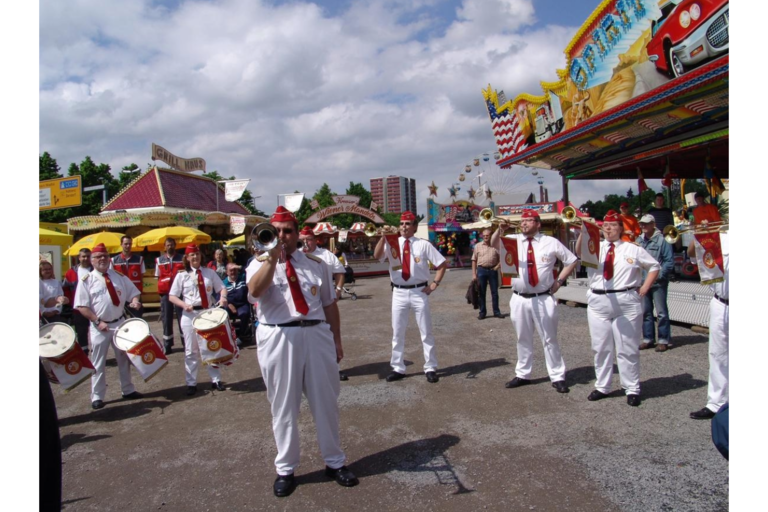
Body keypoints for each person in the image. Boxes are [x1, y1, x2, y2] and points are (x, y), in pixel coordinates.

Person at [246, 206, 358, 497]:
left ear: (297, 234)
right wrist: (272, 258)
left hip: (316, 334)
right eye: (276, 231)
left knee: (326, 401)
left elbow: (329, 304)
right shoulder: (258, 262)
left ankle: (334, 461)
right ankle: (286, 468)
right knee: (284, 406)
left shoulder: (315, 263)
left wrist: (336, 340)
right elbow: (255, 292)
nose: (282, 236)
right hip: (279, 336)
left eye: (287, 231)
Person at [576, 210, 660, 407]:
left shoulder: (632, 248)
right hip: (599, 300)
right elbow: (579, 252)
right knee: (600, 347)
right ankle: (602, 386)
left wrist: (645, 287)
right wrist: (583, 232)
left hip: (626, 300)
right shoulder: (595, 246)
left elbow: (654, 266)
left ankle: (632, 388)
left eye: (613, 225)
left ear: (621, 228)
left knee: (627, 347)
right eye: (605, 225)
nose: (608, 228)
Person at [492, 210, 578, 393]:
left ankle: (557, 376)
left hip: (543, 297)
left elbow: (571, 260)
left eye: (528, 220)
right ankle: (523, 374)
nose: (523, 223)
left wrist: (559, 281)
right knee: (522, 338)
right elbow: (494, 244)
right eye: (522, 221)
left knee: (549, 338)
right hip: (519, 298)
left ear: (538, 224)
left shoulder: (550, 242)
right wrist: (500, 229)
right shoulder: (512, 239)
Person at [373, 211, 447, 383]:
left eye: (407, 224)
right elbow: (377, 256)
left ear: (414, 226)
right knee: (397, 332)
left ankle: (430, 367)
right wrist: (383, 238)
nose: (404, 227)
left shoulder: (423, 244)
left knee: (426, 331)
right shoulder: (392, 242)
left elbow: (442, 264)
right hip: (399, 292)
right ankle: (398, 367)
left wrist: (435, 284)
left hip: (419, 292)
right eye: (401, 224)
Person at [74, 243, 144, 410]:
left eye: (105, 256)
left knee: (124, 358)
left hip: (119, 323)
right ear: (92, 260)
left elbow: (134, 293)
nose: (102, 259)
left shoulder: (118, 276)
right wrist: (97, 321)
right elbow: (81, 306)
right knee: (98, 362)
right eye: (98, 257)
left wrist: (135, 302)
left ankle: (127, 389)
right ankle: (97, 396)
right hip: (99, 326)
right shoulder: (87, 280)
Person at [169, 244, 229, 396]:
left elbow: (222, 287)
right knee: (191, 350)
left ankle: (216, 380)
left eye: (197, 254)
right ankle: (191, 383)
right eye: (192, 255)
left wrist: (223, 297)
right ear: (187, 258)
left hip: (207, 313)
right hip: (189, 315)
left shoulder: (209, 272)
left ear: (201, 256)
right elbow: (172, 296)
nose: (195, 257)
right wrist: (184, 305)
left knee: (211, 346)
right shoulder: (182, 275)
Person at [299, 226, 349, 381]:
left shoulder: (326, 255)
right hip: (304, 303)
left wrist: (338, 290)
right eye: (302, 240)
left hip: (324, 301)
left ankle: (335, 368)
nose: (306, 243)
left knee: (330, 334)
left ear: (315, 240)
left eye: (309, 239)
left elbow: (340, 272)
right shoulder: (296, 255)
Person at [689, 234, 729, 420]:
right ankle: (716, 403)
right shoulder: (719, 235)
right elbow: (692, 254)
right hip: (720, 302)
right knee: (717, 353)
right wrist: (698, 234)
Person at [637, 214, 675, 352]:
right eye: (642, 223)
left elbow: (669, 261)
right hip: (643, 282)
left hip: (658, 282)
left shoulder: (662, 240)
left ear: (653, 224)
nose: (643, 226)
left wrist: (659, 276)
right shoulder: (639, 240)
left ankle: (663, 340)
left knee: (661, 312)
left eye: (646, 223)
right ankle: (648, 339)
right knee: (645, 312)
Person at [155, 238, 185, 354]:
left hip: (179, 293)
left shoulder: (182, 258)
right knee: (166, 319)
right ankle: (167, 345)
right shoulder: (159, 260)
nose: (170, 247)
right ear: (164, 246)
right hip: (165, 293)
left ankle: (185, 343)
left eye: (172, 245)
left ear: (175, 245)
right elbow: (158, 276)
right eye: (168, 245)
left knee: (182, 318)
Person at [62, 248, 93, 354]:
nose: (85, 258)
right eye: (83, 256)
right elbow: (65, 289)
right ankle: (84, 354)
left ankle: (96, 355)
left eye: (88, 256)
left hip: (95, 308)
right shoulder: (71, 272)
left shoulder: (96, 270)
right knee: (81, 333)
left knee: (96, 333)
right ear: (79, 258)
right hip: (78, 309)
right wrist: (72, 303)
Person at [111, 235, 145, 318]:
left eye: (130, 244)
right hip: (120, 294)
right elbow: (111, 277)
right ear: (121, 244)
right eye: (126, 244)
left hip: (135, 294)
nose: (128, 246)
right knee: (120, 318)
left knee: (137, 318)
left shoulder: (139, 259)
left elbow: (142, 276)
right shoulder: (113, 260)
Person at [471, 227, 502, 320]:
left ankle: (496, 312)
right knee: (481, 292)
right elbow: (474, 260)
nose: (485, 237)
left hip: (493, 270)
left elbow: (502, 258)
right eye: (484, 235)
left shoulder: (496, 246)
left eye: (487, 235)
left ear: (491, 235)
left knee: (495, 292)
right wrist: (474, 274)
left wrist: (497, 266)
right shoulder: (477, 246)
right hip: (481, 270)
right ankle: (482, 312)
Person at [222, 262, 251, 347]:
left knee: (245, 313)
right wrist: (229, 304)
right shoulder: (223, 283)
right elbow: (219, 297)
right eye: (230, 270)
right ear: (227, 272)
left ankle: (241, 335)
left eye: (234, 270)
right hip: (229, 305)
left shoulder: (243, 278)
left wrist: (238, 266)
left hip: (242, 304)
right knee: (224, 315)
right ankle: (229, 336)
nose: (233, 272)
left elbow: (249, 270)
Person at [40, 260, 68, 324]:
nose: (48, 271)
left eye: (49, 269)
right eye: (45, 269)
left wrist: (56, 310)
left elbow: (60, 297)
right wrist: (43, 312)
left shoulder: (56, 282)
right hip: (42, 315)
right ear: (40, 271)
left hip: (55, 314)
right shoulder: (39, 282)